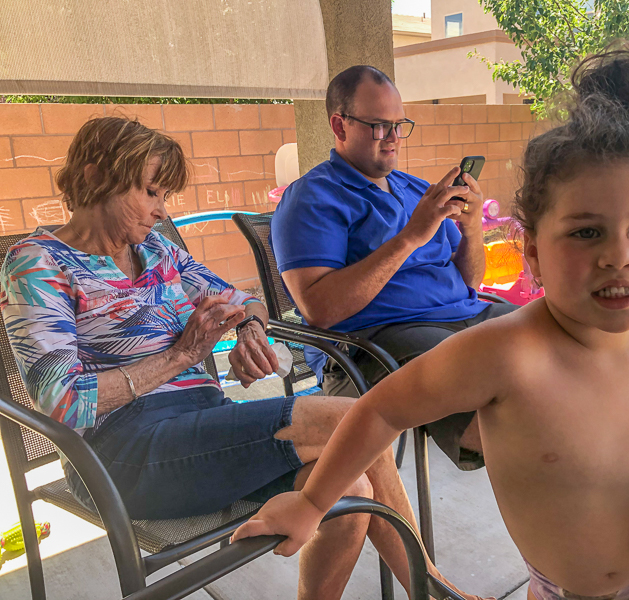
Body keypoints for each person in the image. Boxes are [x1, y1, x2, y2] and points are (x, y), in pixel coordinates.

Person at [233, 45, 629, 599]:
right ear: (534, 253)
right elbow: (355, 368)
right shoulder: (314, 199)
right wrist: (312, 503)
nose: (619, 256)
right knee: (531, 385)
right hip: (387, 337)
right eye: (586, 232)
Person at [0, 116, 486, 600]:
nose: (160, 211)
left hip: (201, 426)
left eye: (164, 195)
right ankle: (431, 589)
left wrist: (251, 330)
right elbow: (62, 401)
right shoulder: (37, 262)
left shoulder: (157, 250)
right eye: (149, 192)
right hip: (116, 455)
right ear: (94, 177)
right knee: (356, 419)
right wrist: (182, 355)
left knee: (351, 490)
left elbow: (243, 299)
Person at [271, 65, 516, 471]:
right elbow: (319, 310)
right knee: (501, 406)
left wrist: (471, 229)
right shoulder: (312, 198)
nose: (393, 138)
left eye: (399, 126)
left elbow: (470, 280)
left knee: (559, 337)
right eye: (379, 126)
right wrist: (410, 237)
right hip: (378, 340)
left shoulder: (417, 189)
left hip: (466, 316)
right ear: (340, 125)